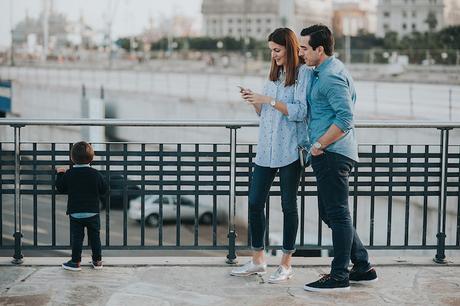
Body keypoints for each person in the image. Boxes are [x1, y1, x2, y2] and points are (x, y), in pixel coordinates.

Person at [298, 24, 377, 292]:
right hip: (332, 153)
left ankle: (340, 275)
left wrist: (319, 145)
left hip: (331, 153)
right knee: (331, 214)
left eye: (305, 48)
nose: (301, 53)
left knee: (338, 215)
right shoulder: (328, 69)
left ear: (320, 49)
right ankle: (362, 266)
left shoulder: (330, 76)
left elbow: (346, 119)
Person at [230, 28, 310, 283]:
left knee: (288, 206)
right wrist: (255, 102)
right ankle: (258, 260)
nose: (273, 55)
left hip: (290, 150)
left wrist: (269, 99)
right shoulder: (272, 78)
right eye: (271, 51)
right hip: (266, 150)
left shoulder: (303, 75)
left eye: (277, 50)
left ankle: (286, 263)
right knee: (254, 203)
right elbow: (265, 116)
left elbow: (300, 112)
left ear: (289, 47)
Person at [55, 141, 108, 271]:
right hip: (93, 212)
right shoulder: (96, 174)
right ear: (91, 158)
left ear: (72, 159)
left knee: (77, 238)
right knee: (95, 237)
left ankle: (75, 262)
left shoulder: (70, 174)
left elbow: (61, 188)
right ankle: (97, 261)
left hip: (76, 212)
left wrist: (60, 173)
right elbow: (104, 189)